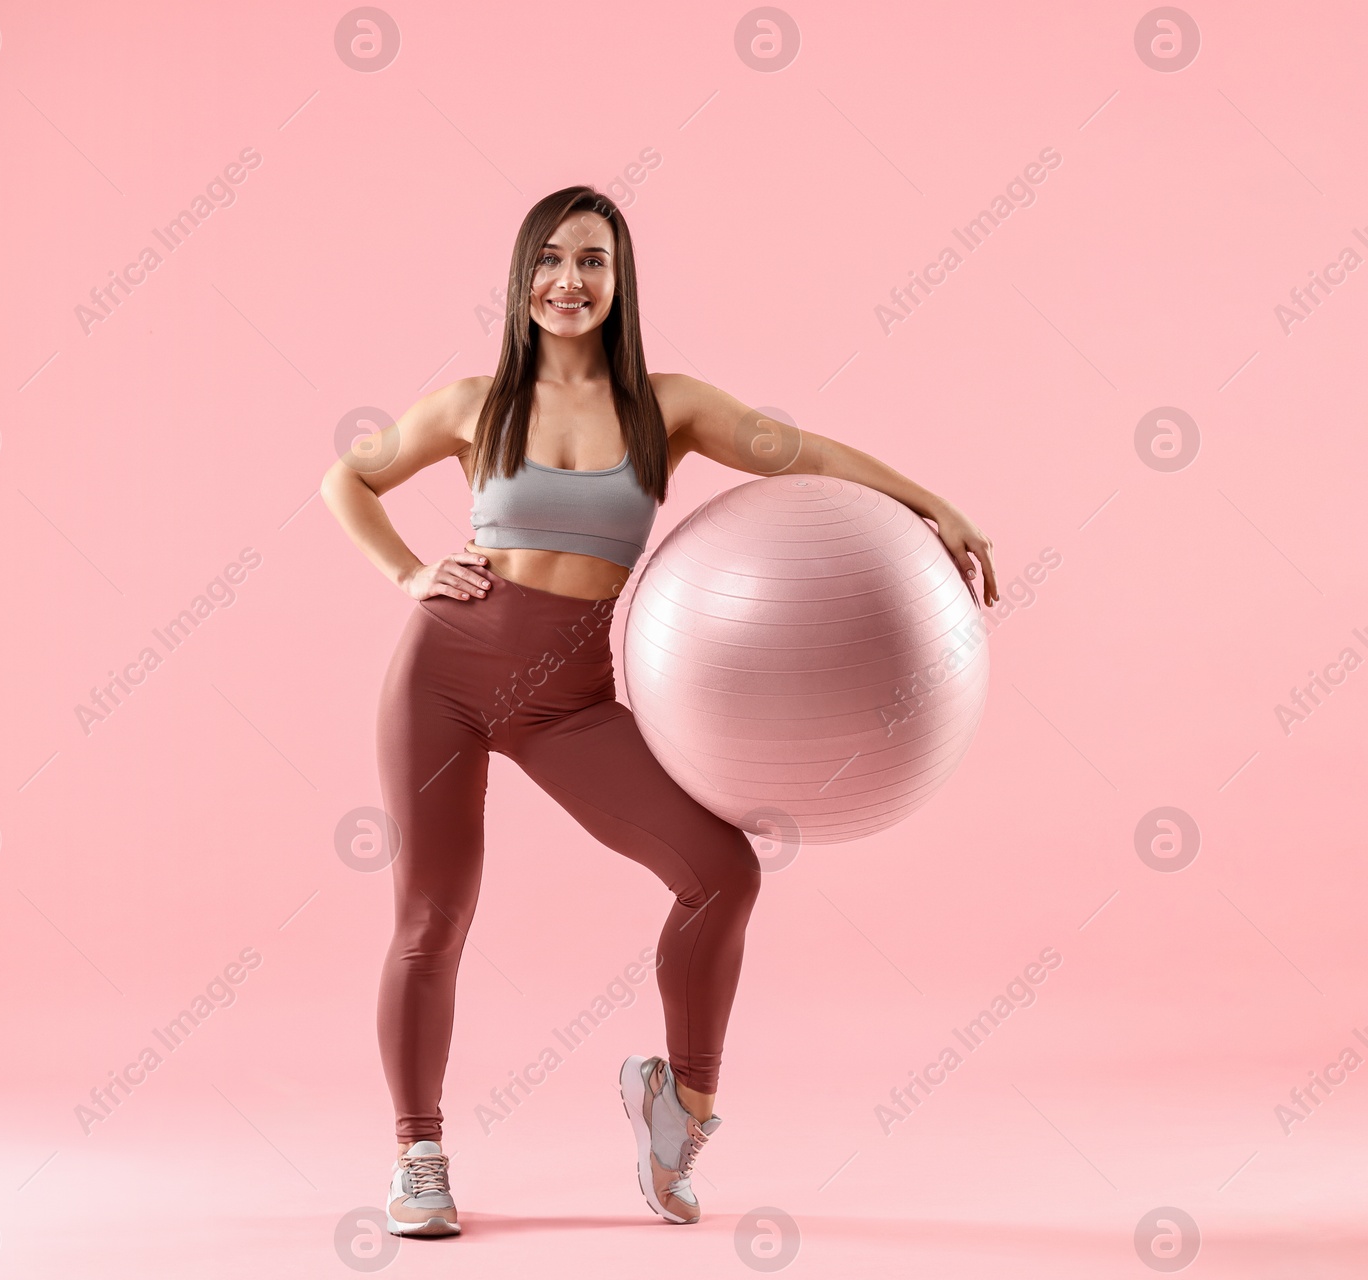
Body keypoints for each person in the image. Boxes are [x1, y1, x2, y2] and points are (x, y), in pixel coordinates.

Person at [320, 185, 998, 1238]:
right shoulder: (471, 402)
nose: (568, 281)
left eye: (591, 261)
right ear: (519, 277)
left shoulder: (664, 405)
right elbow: (345, 482)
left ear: (620, 277)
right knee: (432, 916)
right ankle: (419, 1154)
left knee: (720, 870)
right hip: (442, 680)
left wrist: (933, 504)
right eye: (549, 260)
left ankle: (679, 1104)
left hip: (570, 703)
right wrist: (410, 572)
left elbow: (800, 450)